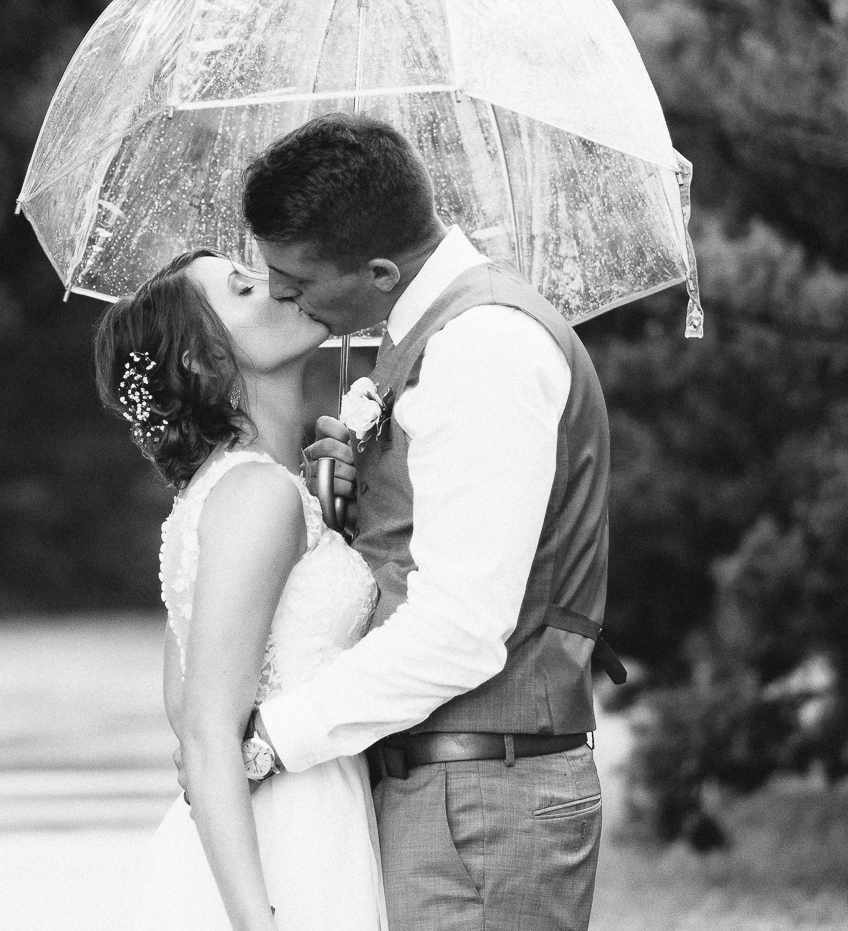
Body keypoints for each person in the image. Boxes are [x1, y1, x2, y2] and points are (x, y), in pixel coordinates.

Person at [236, 112, 615, 931]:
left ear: (378, 271)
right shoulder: (430, 340)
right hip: (449, 792)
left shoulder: (484, 350)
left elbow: (461, 627)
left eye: (293, 277)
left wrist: (274, 736)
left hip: (482, 804)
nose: (277, 295)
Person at [95, 251, 387, 931]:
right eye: (243, 287)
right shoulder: (256, 495)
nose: (278, 284)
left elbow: (183, 696)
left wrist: (336, 524)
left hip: (295, 816)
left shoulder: (239, 489)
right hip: (289, 844)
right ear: (203, 361)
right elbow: (203, 730)